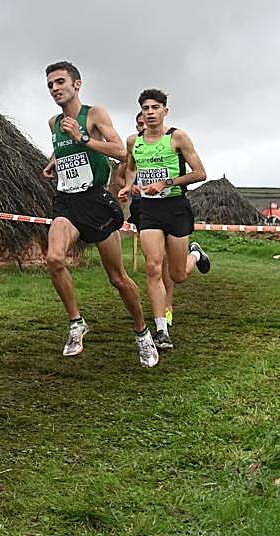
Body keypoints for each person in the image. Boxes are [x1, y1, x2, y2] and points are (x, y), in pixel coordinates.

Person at [41, 62, 157, 367]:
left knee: (117, 278)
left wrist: (82, 138)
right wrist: (54, 161)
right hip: (67, 201)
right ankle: (76, 323)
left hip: (95, 202)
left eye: (60, 82)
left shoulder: (94, 115)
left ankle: (142, 333)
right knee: (54, 259)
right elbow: (63, 147)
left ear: (77, 84)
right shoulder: (54, 123)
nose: (55, 88)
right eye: (50, 84)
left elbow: (120, 151)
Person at [119, 89, 211, 351]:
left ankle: (195, 254)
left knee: (177, 275)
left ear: (165, 111)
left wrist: (166, 183)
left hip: (176, 208)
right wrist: (129, 186)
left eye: (155, 107)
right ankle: (161, 330)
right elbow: (131, 168)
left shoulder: (177, 137)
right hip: (149, 210)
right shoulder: (133, 141)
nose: (150, 112)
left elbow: (200, 173)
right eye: (145, 108)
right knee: (153, 267)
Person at [115, 112, 175, 326]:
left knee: (168, 261)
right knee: (154, 261)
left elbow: (177, 173)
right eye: (139, 124)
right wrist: (128, 187)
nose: (143, 127)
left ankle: (168, 304)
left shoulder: (165, 146)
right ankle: (162, 309)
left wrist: (165, 184)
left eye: (145, 123)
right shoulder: (133, 149)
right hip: (142, 207)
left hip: (167, 204)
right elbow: (120, 175)